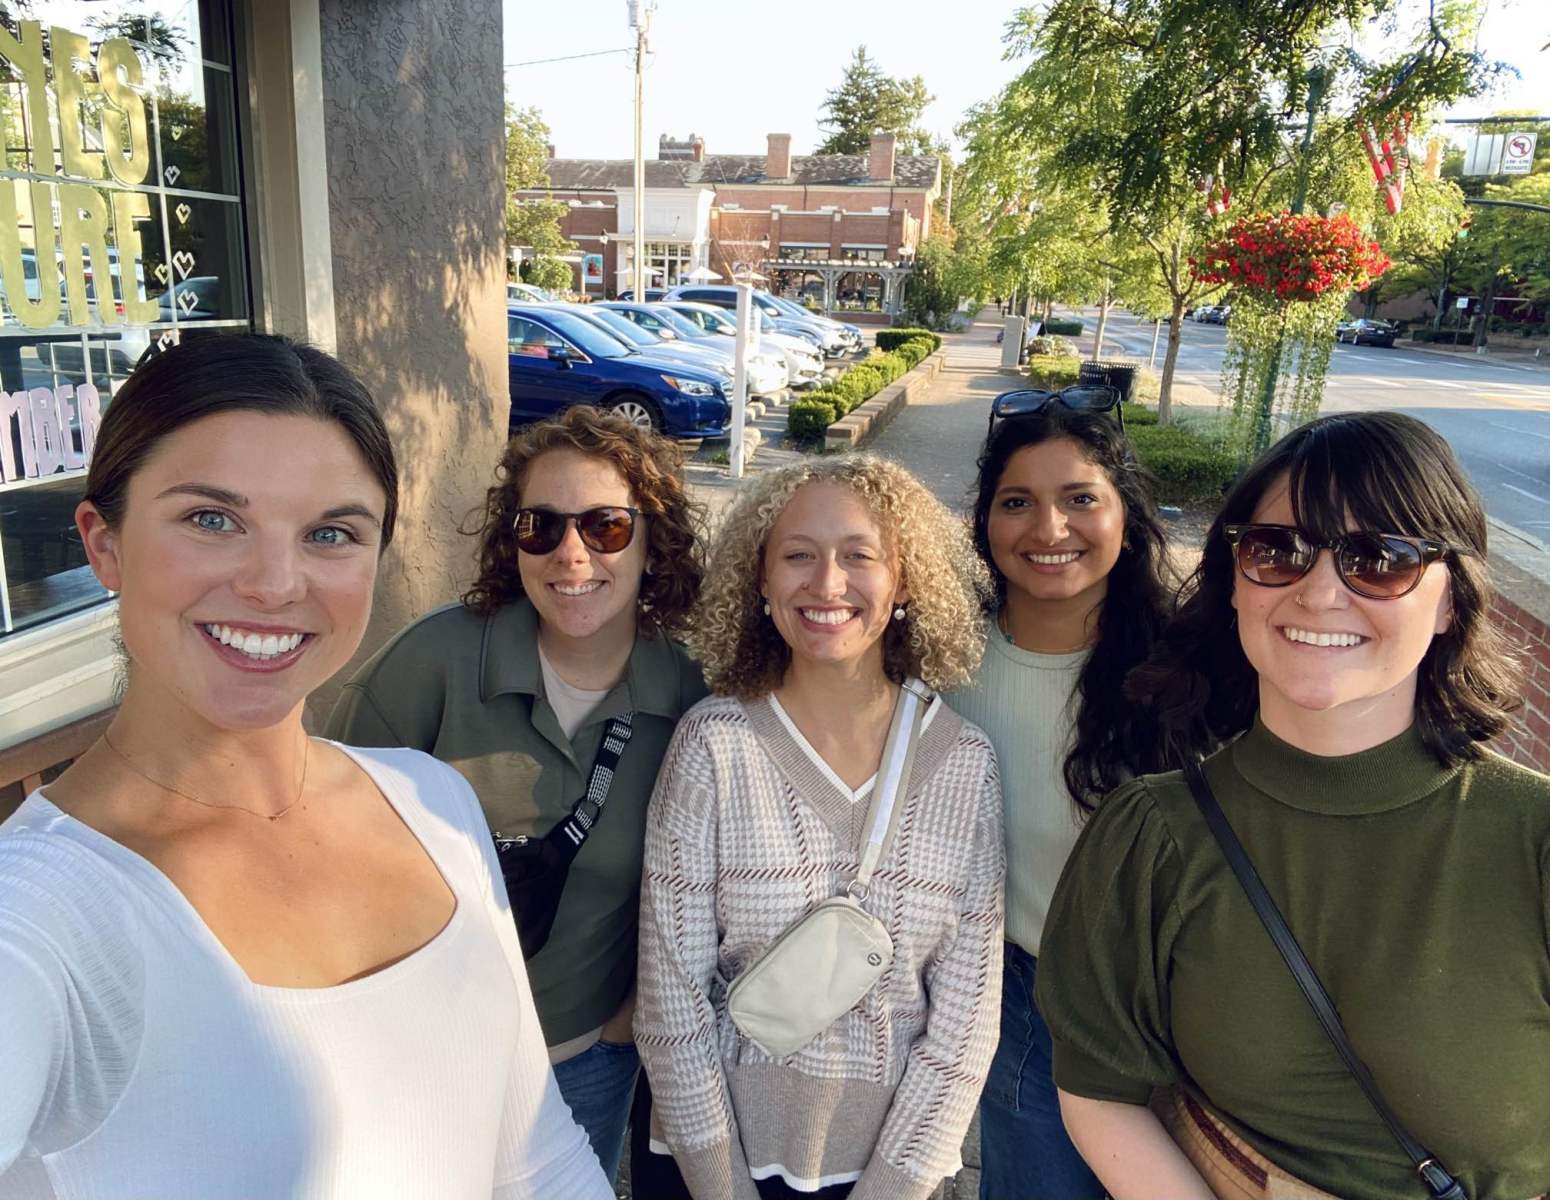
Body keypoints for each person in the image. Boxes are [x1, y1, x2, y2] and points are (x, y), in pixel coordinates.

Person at [0, 335, 611, 1198]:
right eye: (213, 520)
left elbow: (536, 1159)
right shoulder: (39, 916)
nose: (276, 583)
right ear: (104, 543)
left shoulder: (432, 802)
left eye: (331, 533)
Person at [1036, 411, 1549, 1200]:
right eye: (1277, 550)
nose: (1319, 593)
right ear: (1236, 581)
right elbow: (1102, 1091)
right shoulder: (1152, 839)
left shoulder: (1531, 838)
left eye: (1379, 559)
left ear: (1449, 599)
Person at [327, 404, 707, 1184]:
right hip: (418, 1058)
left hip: (583, 1061)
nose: (572, 553)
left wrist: (624, 1025)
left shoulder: (688, 694)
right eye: (541, 526)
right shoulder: (432, 663)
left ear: (653, 542)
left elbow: (701, 890)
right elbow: (322, 840)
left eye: (605, 526)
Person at [635, 455, 1005, 1200]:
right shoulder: (713, 745)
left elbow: (966, 1025)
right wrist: (722, 1186)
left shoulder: (965, 764)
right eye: (798, 556)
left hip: (889, 1176)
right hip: (711, 1168)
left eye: (859, 556)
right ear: (760, 580)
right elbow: (670, 997)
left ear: (904, 581)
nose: (828, 584)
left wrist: (893, 1187)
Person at [949, 397, 1175, 1200]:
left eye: (1080, 498)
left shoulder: (1190, 670)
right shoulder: (939, 660)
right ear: (985, 521)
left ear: (1125, 515)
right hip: (1027, 999)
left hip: (1175, 1009)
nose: (1050, 529)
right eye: (1017, 502)